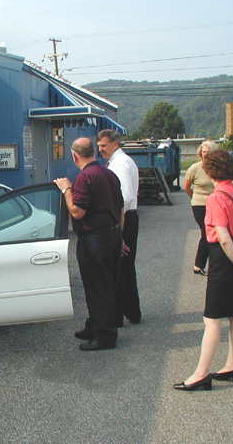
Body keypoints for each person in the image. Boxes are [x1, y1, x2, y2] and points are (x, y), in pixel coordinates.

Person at [174, 148, 233, 391]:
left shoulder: (216, 197)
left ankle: (201, 374)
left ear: (210, 172)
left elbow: (222, 237)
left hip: (225, 259)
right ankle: (232, 365)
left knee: (211, 319)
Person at [54, 137, 124, 351]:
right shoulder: (109, 174)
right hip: (112, 235)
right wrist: (119, 235)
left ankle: (105, 337)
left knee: (97, 288)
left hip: (95, 239)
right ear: (94, 151)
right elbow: (121, 207)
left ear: (74, 156)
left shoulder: (85, 178)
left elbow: (77, 211)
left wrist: (67, 189)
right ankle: (95, 325)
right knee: (107, 285)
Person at [97, 129, 141, 326]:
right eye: (99, 146)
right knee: (123, 267)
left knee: (120, 267)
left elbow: (125, 197)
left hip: (124, 218)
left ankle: (124, 313)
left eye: (104, 145)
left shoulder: (121, 164)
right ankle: (130, 311)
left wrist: (119, 233)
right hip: (123, 217)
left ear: (115, 144)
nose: (101, 149)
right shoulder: (116, 162)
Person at [184, 140, 218, 276]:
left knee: (214, 235)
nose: (205, 155)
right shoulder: (195, 168)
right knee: (207, 234)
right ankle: (199, 266)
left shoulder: (217, 168)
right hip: (199, 206)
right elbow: (186, 187)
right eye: (204, 152)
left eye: (208, 152)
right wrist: (195, 198)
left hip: (215, 206)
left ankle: (201, 266)